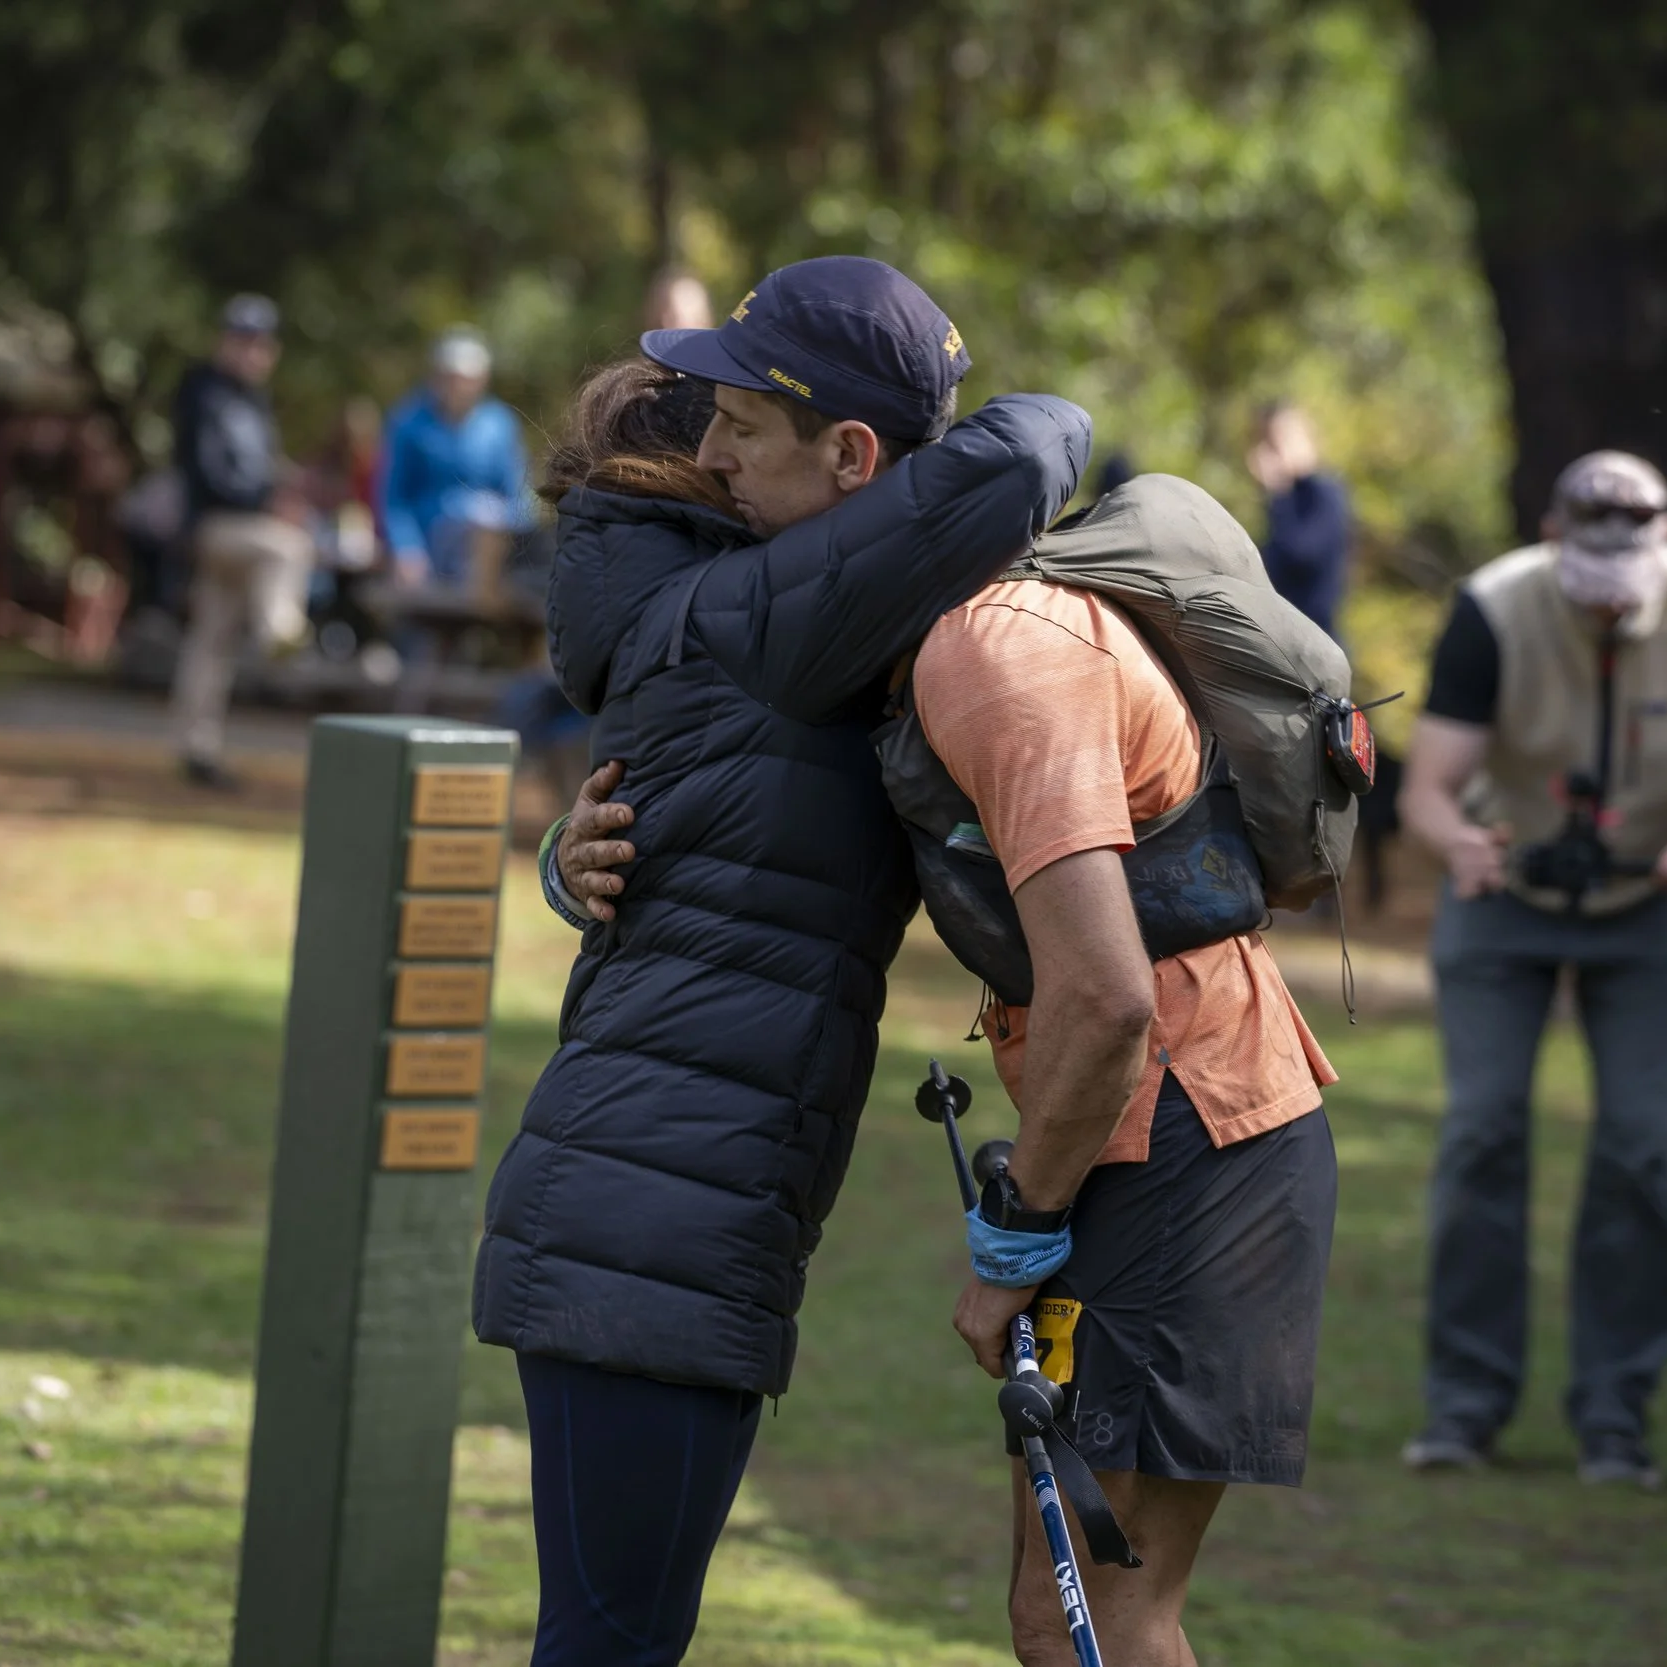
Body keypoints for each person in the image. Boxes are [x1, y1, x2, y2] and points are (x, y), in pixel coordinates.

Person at [473, 255, 1090, 1666]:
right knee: (611, 1646)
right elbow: (1037, 439)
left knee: (613, 1639)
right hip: (657, 1229)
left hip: (658, 1213)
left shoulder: (728, 606)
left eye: (740, 423)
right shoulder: (757, 621)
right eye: (713, 425)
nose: (718, 451)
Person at [915, 511, 1341, 1664]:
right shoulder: (988, 630)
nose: (721, 460)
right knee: (1066, 1621)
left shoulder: (995, 642)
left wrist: (1013, 1242)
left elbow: (1108, 999)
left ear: (858, 461)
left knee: (1090, 1623)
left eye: (746, 433)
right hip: (1159, 1128)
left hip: (1192, 1132)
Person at [1397, 452, 1667, 1488]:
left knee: (1637, 1149)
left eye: (1629, 579)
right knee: (1482, 1130)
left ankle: (1616, 1414)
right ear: (1551, 534)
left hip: (1655, 898)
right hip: (1504, 888)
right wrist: (1456, 842)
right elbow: (1429, 784)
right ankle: (1463, 1405)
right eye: (1590, 580)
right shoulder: (1493, 606)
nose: (1610, 602)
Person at [166, 294, 313, 789]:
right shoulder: (203, 392)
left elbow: (263, 469)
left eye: (260, 344)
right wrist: (266, 497)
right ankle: (280, 632)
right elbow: (211, 475)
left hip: (243, 531)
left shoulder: (255, 401)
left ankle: (197, 750)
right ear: (224, 342)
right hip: (217, 527)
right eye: (242, 341)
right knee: (290, 549)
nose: (252, 352)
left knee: (212, 642)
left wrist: (284, 488)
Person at [379, 327, 534, 593]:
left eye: (467, 378)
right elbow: (394, 497)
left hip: (488, 554)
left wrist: (500, 524)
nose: (458, 386)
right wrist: (406, 548)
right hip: (428, 551)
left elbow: (519, 497)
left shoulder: (499, 425)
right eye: (451, 377)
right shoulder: (408, 423)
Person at [1247, 401, 1352, 638]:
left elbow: (1301, 555)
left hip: (1317, 635)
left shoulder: (1324, 492)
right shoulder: (1291, 495)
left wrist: (1277, 494)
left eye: (1277, 443)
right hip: (1286, 634)